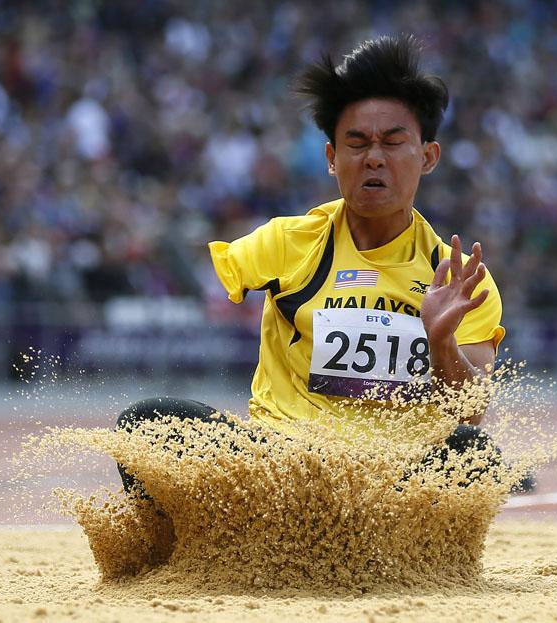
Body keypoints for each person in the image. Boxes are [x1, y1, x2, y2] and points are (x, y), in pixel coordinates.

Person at [115, 35, 508, 544]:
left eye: (393, 142)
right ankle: (190, 561)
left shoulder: (458, 279)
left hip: (389, 483)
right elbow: (197, 282)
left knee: (475, 456)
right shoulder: (286, 243)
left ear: (428, 156)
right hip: (278, 471)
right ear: (331, 156)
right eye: (357, 143)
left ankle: (372, 556)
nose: (374, 158)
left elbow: (473, 409)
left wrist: (440, 342)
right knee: (146, 424)